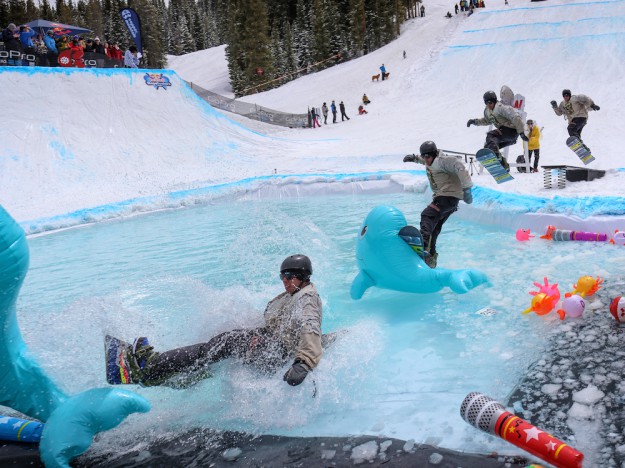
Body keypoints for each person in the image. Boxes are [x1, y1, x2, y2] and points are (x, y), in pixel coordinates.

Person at [115, 254, 323, 388]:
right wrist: (260, 336)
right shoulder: (295, 294)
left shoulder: (306, 298)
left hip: (278, 355)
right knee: (224, 343)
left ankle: (149, 367)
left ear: (303, 276)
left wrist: (303, 364)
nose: (285, 281)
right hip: (274, 348)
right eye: (282, 277)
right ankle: (176, 378)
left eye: (290, 276)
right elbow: (282, 326)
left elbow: (310, 327)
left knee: (227, 342)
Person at [402, 141, 473, 269]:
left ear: (434, 154)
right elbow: (426, 161)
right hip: (447, 199)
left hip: (447, 197)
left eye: (427, 157)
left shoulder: (443, 161)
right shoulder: (432, 160)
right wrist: (414, 159)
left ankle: (423, 246)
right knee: (434, 228)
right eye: (423, 157)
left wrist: (467, 188)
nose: (425, 160)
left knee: (427, 215)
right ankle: (430, 258)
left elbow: (459, 166)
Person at [467, 90, 527, 171]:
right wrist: (475, 121)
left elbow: (515, 117)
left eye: (490, 103)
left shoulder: (501, 108)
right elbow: (486, 120)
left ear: (495, 101)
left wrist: (521, 132)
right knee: (488, 147)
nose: (489, 105)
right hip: (505, 135)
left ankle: (496, 157)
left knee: (490, 135)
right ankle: (504, 166)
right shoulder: (488, 111)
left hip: (511, 131)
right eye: (487, 103)